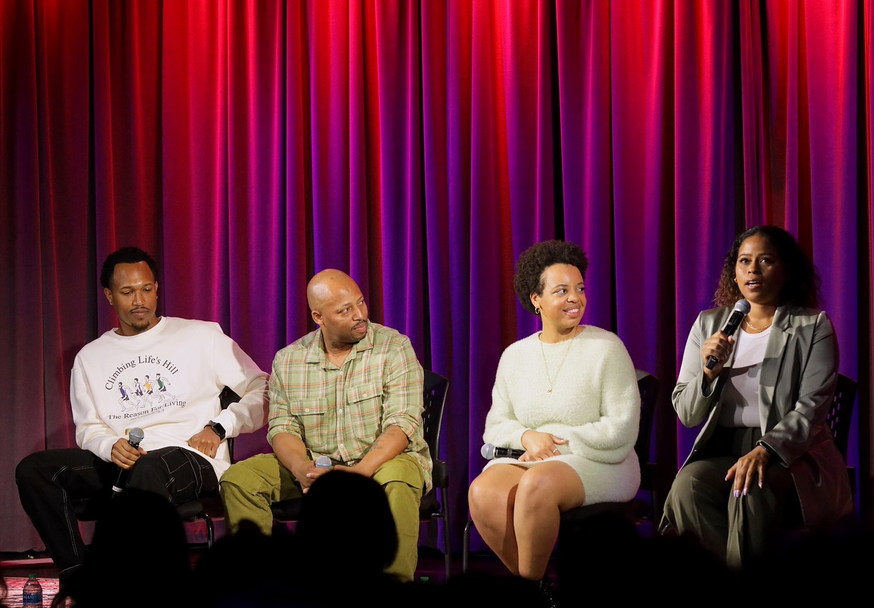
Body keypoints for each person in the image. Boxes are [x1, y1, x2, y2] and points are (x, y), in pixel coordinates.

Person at [15, 247, 268, 577]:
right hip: (125, 461)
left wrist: (220, 427)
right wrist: (109, 446)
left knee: (147, 468)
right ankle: (78, 577)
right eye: (127, 292)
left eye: (147, 289)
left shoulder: (201, 335)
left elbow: (263, 388)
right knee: (34, 469)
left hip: (190, 454)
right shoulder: (90, 358)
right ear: (109, 296)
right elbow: (88, 427)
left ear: (157, 288)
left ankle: (144, 588)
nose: (140, 300)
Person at [219, 270, 431, 582]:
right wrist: (299, 467)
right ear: (319, 317)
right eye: (345, 310)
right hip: (318, 463)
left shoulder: (393, 347)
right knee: (239, 479)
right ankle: (258, 587)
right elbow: (282, 427)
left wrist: (358, 475)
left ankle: (393, 589)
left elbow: (402, 423)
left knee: (398, 478)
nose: (360, 315)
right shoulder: (289, 360)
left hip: (382, 461)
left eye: (360, 303)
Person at [660, 226, 852, 567]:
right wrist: (708, 372)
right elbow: (687, 413)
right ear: (733, 273)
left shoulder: (812, 326)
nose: (753, 269)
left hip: (791, 456)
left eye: (765, 260)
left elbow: (811, 410)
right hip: (726, 448)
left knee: (748, 486)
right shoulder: (709, 324)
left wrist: (764, 450)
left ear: (786, 270)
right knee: (687, 487)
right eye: (744, 261)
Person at [468, 240, 640, 584]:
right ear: (537, 299)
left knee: (536, 485)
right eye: (561, 290)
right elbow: (496, 424)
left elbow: (621, 429)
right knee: (482, 491)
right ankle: (537, 589)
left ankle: (530, 599)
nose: (575, 298)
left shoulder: (606, 347)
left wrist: (559, 443)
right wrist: (526, 436)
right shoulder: (515, 356)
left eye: (579, 288)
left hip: (603, 460)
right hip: (534, 457)